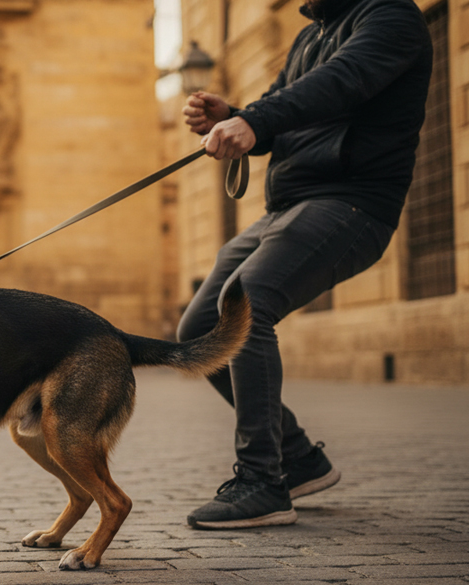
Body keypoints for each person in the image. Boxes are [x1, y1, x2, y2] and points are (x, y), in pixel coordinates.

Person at [176, 0, 432, 529]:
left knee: (246, 304)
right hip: (288, 207)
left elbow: (341, 83)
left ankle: (262, 481)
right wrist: (235, 116)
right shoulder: (311, 36)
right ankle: (298, 458)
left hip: (352, 202)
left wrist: (256, 119)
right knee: (200, 328)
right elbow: (283, 107)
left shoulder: (390, 18)